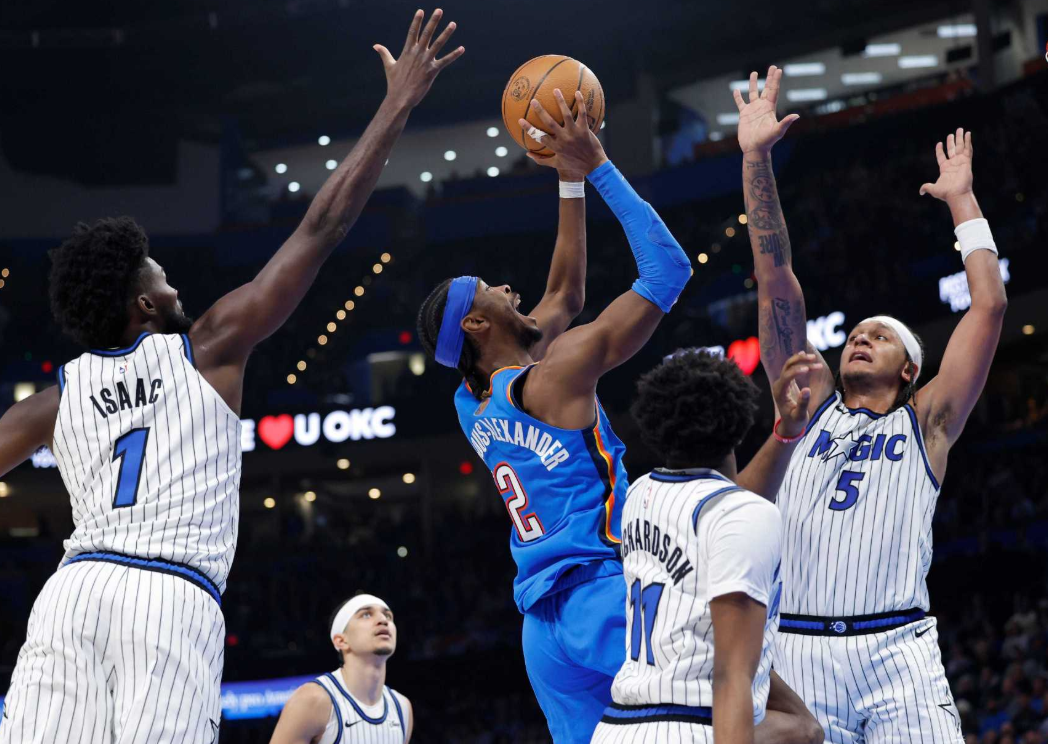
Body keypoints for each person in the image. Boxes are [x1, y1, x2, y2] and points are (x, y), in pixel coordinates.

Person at [0, 11, 461, 743]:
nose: (175, 283)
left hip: (71, 595)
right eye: (161, 276)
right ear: (144, 303)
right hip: (169, 597)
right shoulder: (207, 348)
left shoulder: (54, 401)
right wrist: (396, 105)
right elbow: (322, 228)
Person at [734, 65, 1007, 743]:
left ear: (909, 368)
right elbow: (775, 279)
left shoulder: (929, 422)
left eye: (879, 336)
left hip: (897, 652)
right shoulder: (805, 404)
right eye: (856, 333)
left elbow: (990, 304)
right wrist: (755, 161)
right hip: (797, 653)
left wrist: (963, 202)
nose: (860, 337)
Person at [415, 89, 692, 743]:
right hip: (604, 590)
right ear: (476, 324)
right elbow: (668, 271)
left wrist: (568, 181)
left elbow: (565, 294)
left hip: (543, 628)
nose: (511, 289)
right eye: (493, 291)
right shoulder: (558, 373)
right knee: (717, 711)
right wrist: (598, 167)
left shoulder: (471, 401)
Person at [591, 348, 825, 744]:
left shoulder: (640, 496)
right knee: (800, 727)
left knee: (805, 729)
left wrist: (786, 433)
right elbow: (731, 676)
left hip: (618, 727)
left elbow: (722, 506)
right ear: (739, 421)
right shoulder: (745, 514)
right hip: (692, 726)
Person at [269, 595, 412, 744]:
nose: (383, 620)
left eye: (388, 616)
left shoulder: (402, 707)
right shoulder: (313, 700)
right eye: (366, 614)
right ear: (341, 641)